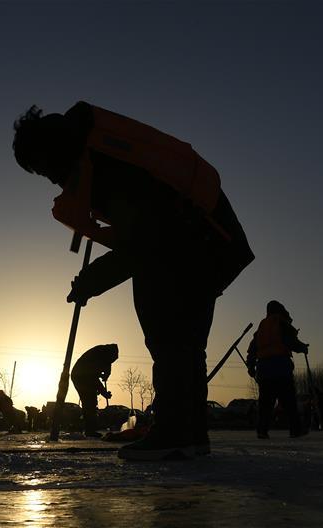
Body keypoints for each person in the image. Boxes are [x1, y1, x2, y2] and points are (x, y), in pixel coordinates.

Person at [13, 102, 253, 460]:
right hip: (215, 242)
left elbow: (143, 242)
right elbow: (146, 234)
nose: (48, 177)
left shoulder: (108, 165)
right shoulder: (100, 153)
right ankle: (190, 434)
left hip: (195, 240)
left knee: (165, 321)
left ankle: (174, 432)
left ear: (50, 151)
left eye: (42, 167)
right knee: (187, 340)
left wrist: (90, 281)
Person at [246, 301, 309, 439]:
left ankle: (262, 431)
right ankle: (296, 430)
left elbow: (252, 350)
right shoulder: (281, 324)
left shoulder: (261, 329)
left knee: (265, 403)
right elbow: (291, 342)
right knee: (289, 401)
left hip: (264, 370)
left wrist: (251, 366)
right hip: (281, 368)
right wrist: (302, 347)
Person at [71, 343, 118, 437]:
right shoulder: (97, 357)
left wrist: (106, 374)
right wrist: (104, 392)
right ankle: (90, 430)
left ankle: (90, 429)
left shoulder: (105, 354)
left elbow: (108, 365)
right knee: (89, 402)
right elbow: (93, 379)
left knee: (90, 401)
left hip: (84, 375)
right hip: (80, 376)